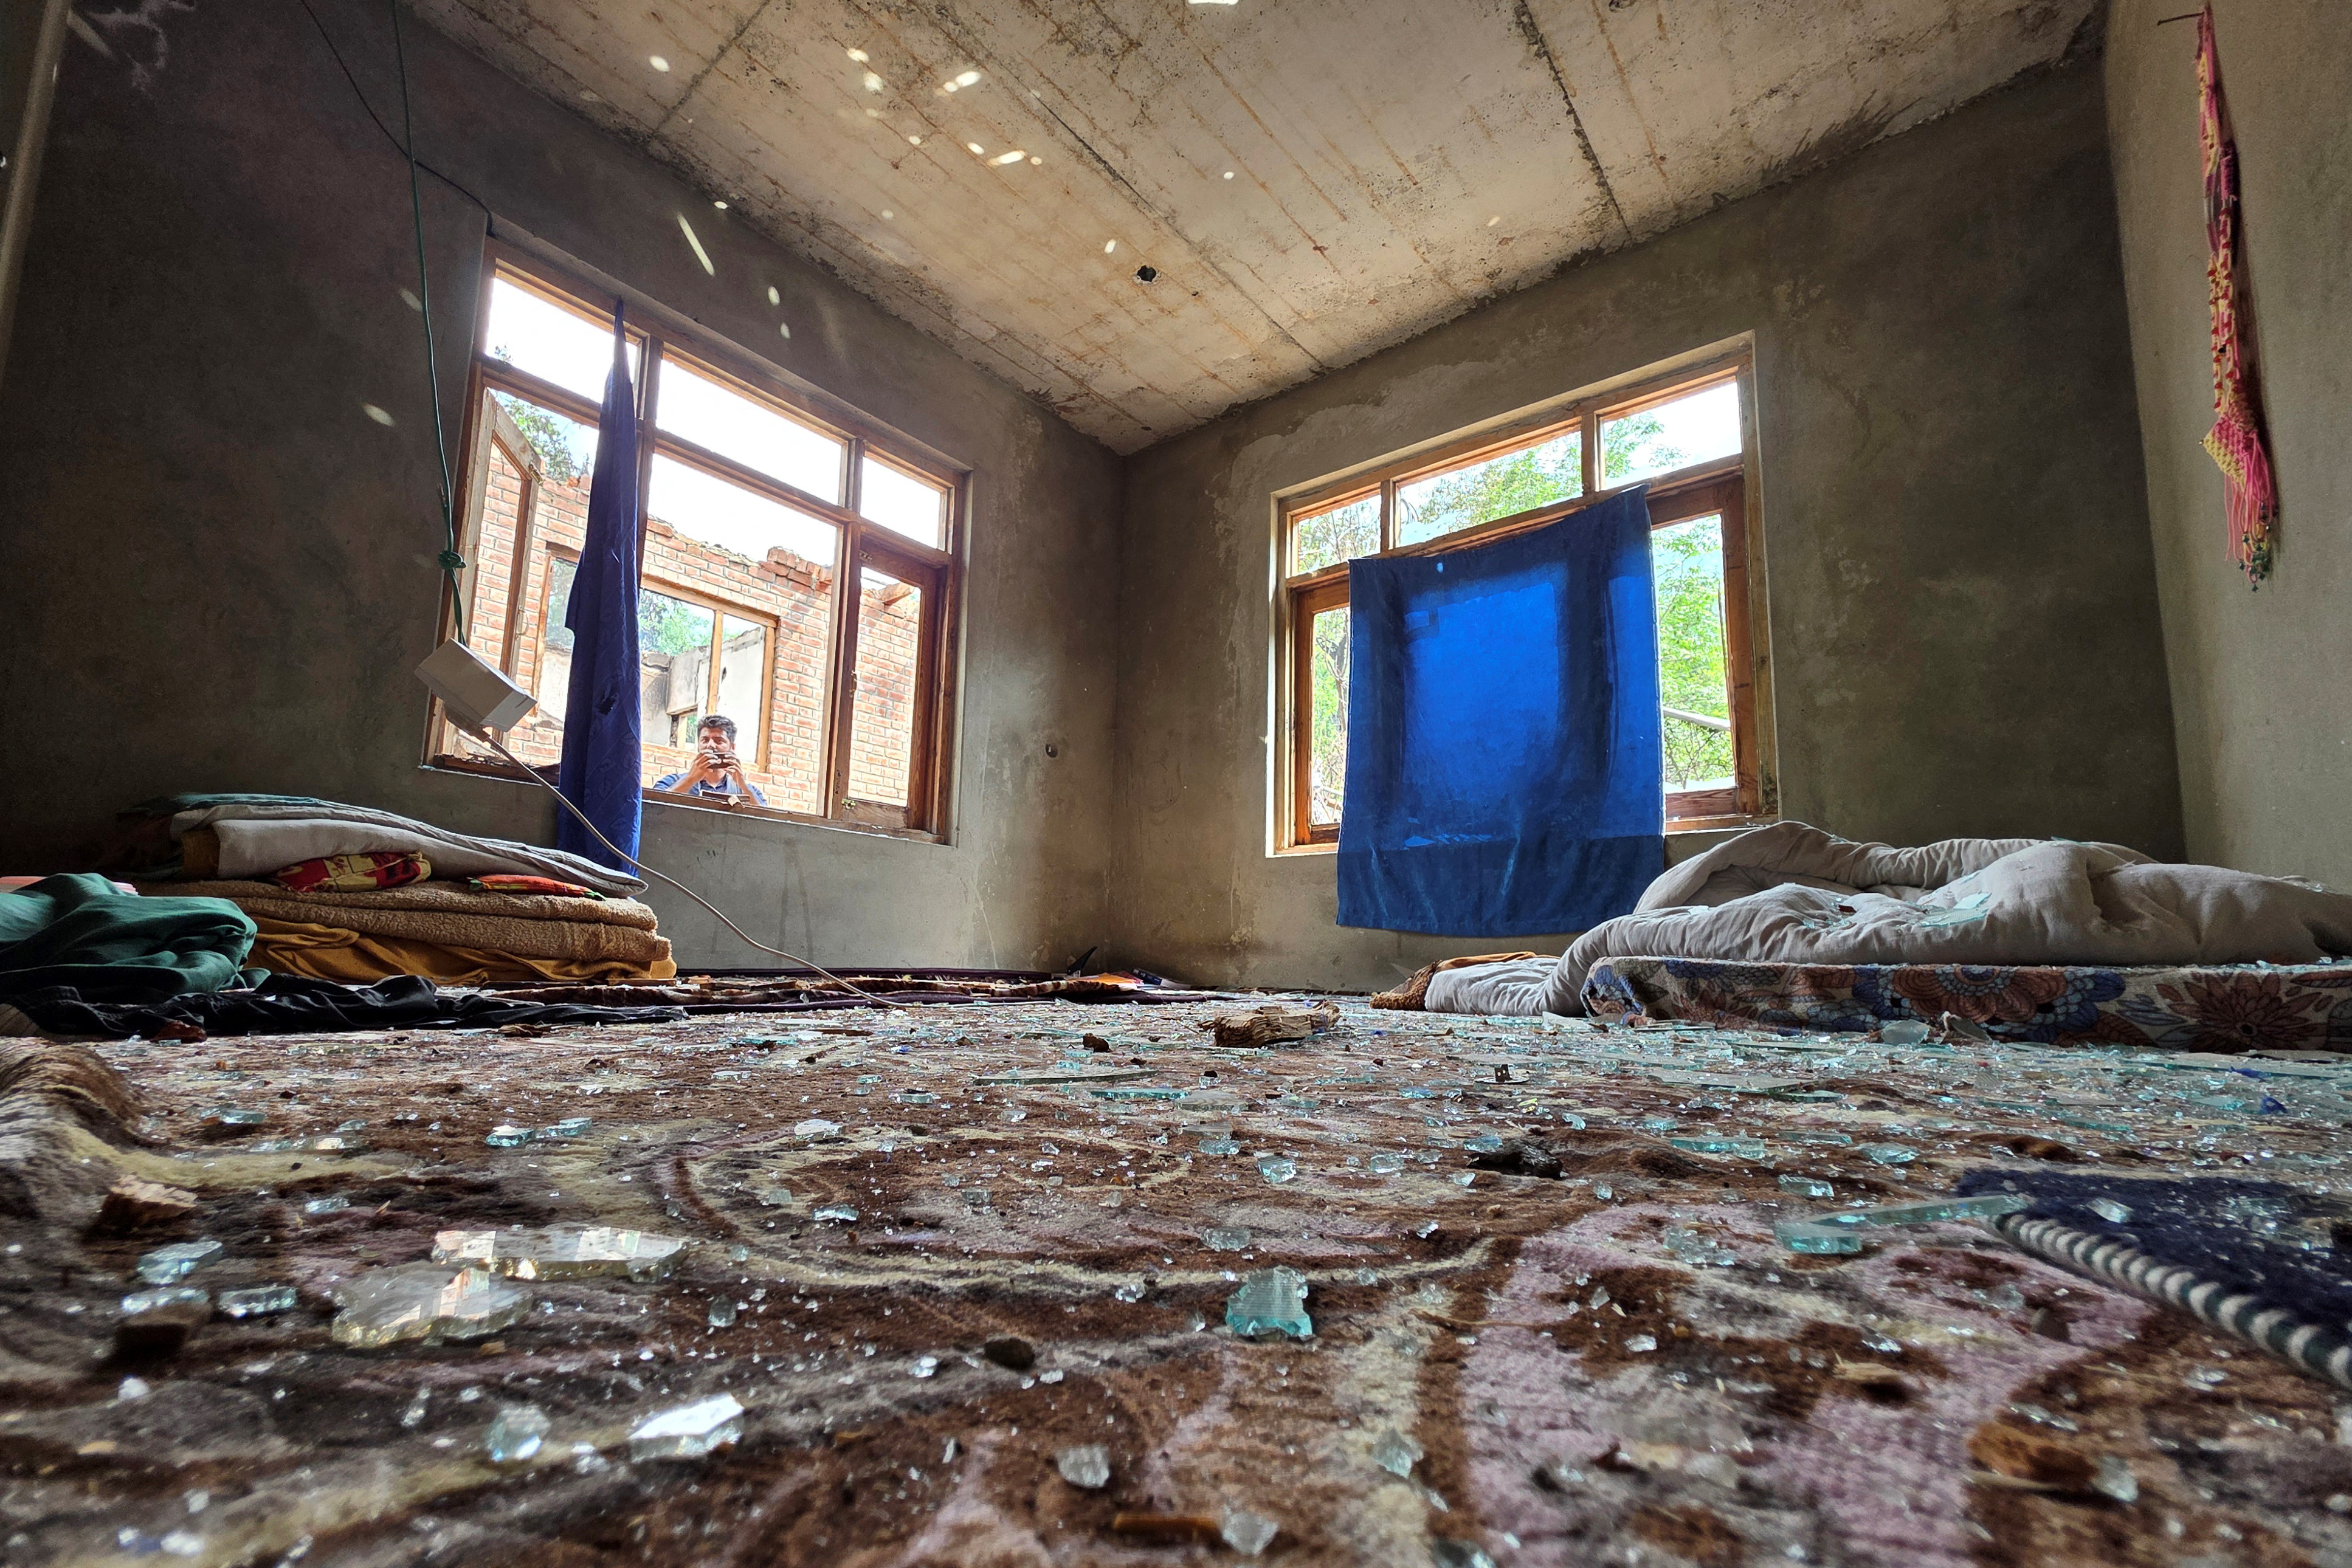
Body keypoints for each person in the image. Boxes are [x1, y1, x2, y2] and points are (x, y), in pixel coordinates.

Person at [653, 715, 766, 805]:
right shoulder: (671, 782)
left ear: (732, 748)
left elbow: (765, 823)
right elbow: (653, 808)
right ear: (698, 745)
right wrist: (690, 779)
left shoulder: (750, 791)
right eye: (705, 740)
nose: (711, 746)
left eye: (719, 741)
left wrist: (743, 786)